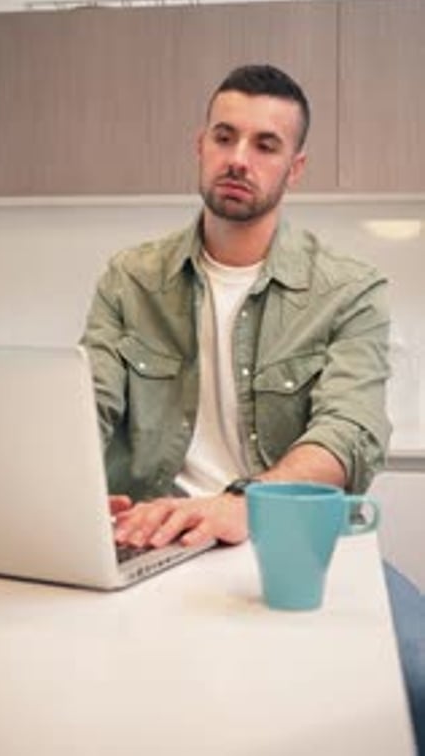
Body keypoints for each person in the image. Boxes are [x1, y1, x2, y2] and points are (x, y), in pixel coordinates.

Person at [82, 63, 391, 552]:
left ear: (295, 168)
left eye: (265, 146)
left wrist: (245, 501)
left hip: (282, 539)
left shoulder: (350, 291)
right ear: (200, 146)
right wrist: (63, 488)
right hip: (152, 538)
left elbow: (349, 432)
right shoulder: (130, 280)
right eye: (224, 138)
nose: (238, 160)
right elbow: (87, 405)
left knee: (409, 626)